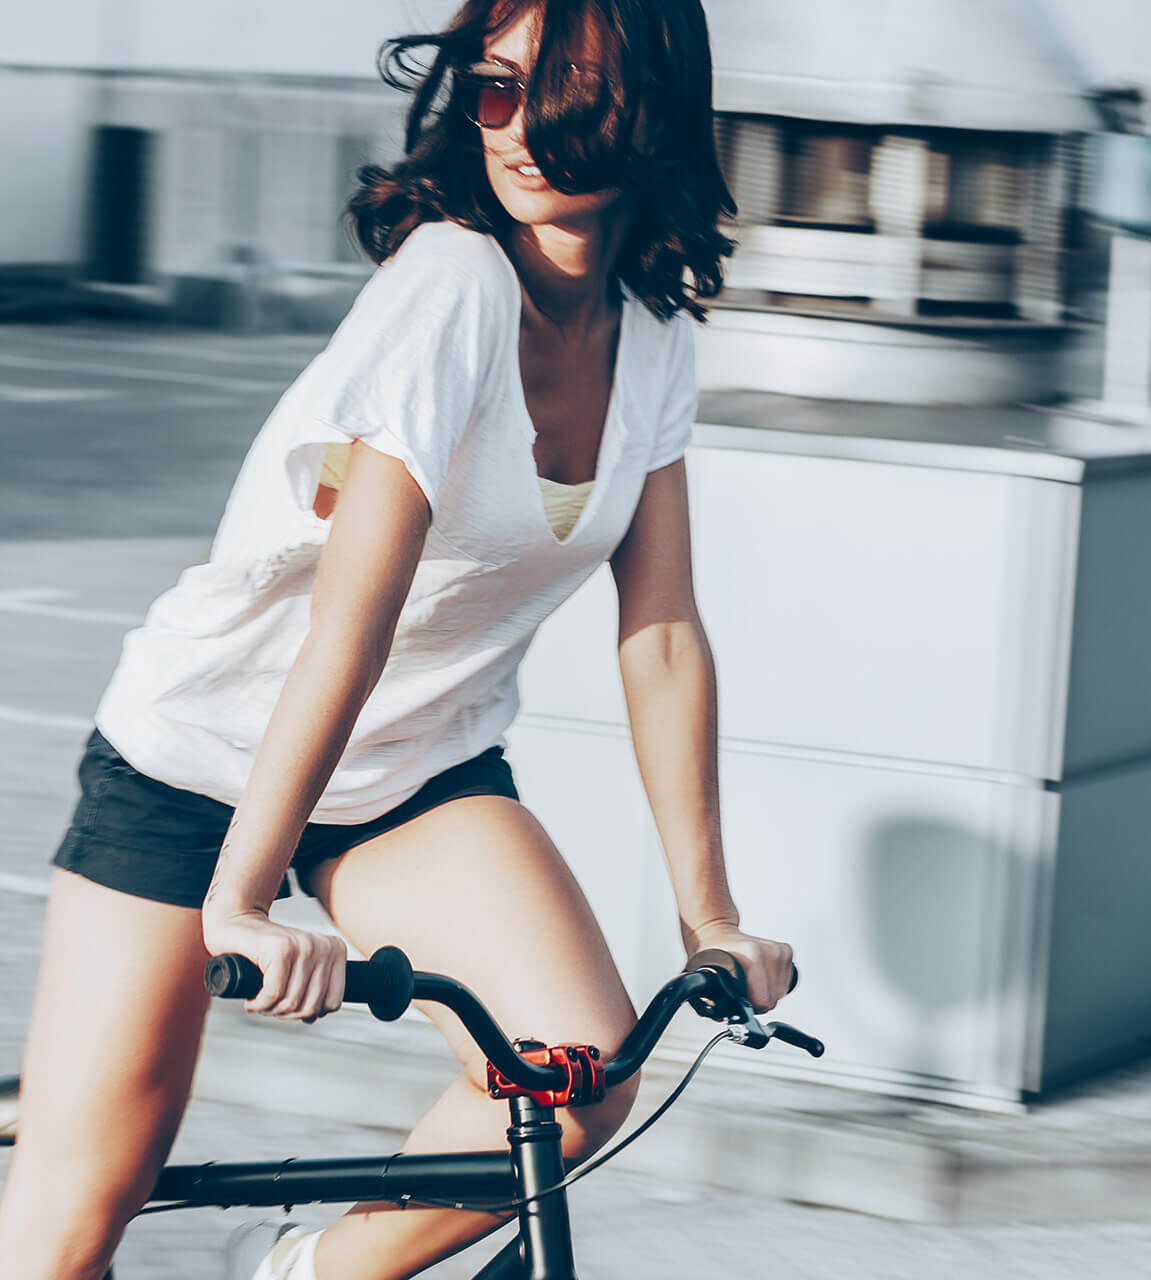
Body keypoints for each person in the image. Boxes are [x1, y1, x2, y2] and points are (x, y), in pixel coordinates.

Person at [0, 1, 796, 1277]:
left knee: (578, 1071)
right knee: (61, 1240)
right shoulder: (451, 284)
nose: (518, 127)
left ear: (652, 110)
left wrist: (713, 915)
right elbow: (348, 623)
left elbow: (660, 634)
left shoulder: (651, 333)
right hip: (199, 761)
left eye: (566, 94)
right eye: (494, 87)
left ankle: (299, 1268)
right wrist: (240, 898)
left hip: (412, 768)